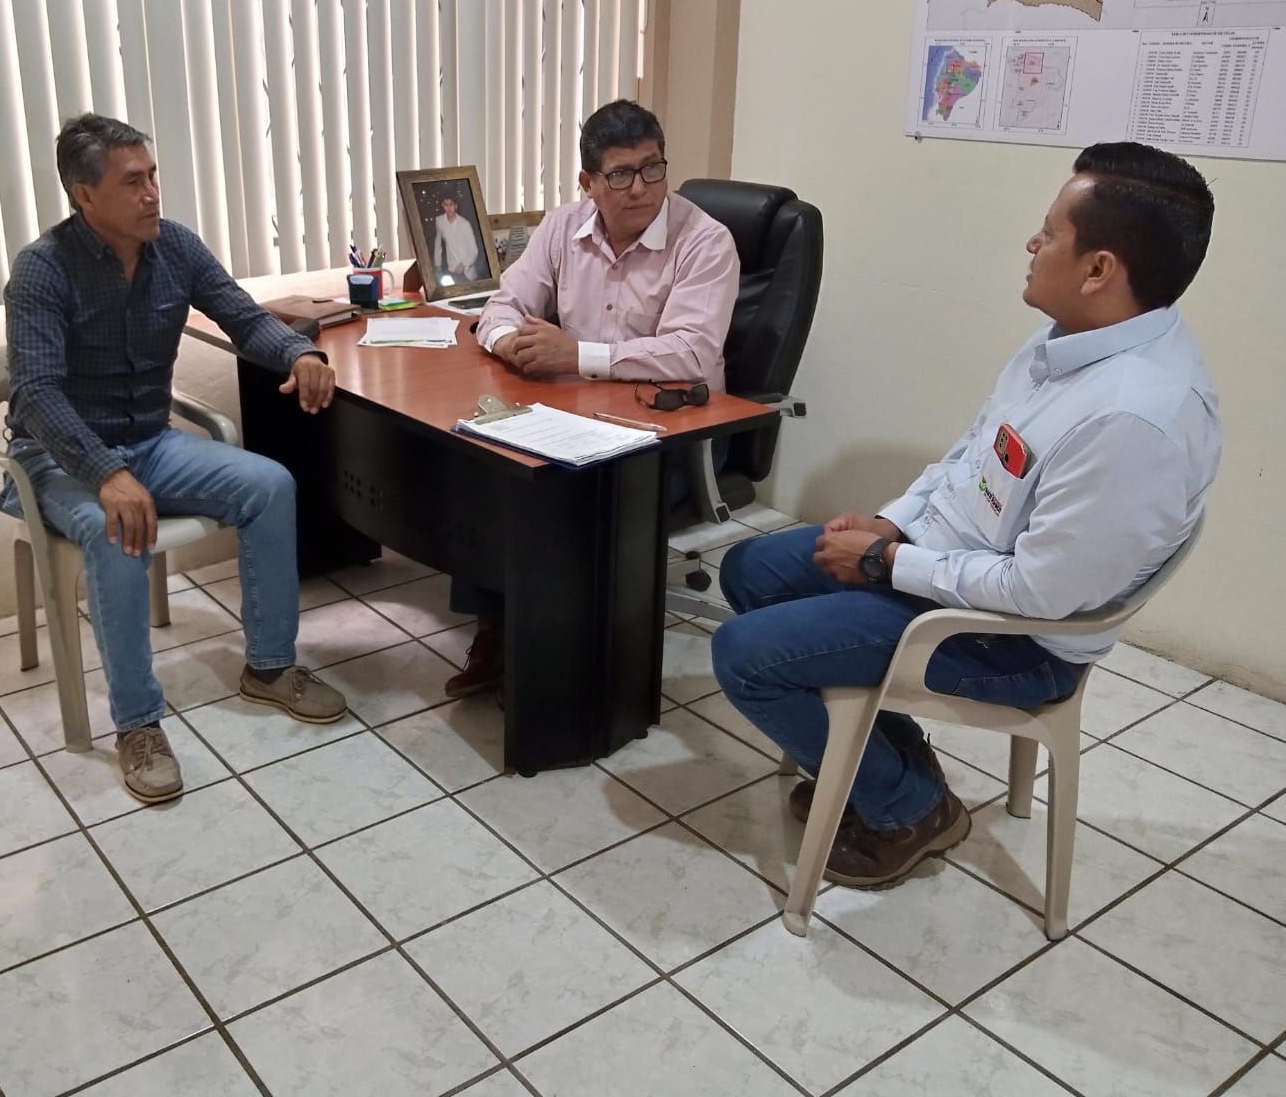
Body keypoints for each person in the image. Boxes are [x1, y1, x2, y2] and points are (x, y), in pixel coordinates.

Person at [710, 142, 1220, 886]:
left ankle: (909, 808)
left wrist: (885, 563)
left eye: (1049, 232)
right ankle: (886, 752)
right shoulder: (1067, 342)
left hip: (1013, 640)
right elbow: (970, 456)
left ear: (1098, 270)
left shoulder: (1134, 422)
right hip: (952, 563)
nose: (1031, 243)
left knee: (744, 657)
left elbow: (1040, 594)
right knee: (751, 568)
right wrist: (893, 524)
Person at [2, 113, 349, 805]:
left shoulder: (176, 247)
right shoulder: (42, 270)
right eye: (132, 182)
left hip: (149, 444)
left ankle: (269, 668)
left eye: (153, 175)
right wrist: (106, 473)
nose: (152, 193)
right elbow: (35, 394)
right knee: (116, 529)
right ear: (84, 194)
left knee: (270, 485)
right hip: (57, 458)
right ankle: (137, 724)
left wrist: (300, 353)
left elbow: (244, 318)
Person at [444, 98, 739, 699]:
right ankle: (498, 629)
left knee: (552, 495)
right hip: (574, 415)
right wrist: (509, 342)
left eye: (652, 167)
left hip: (667, 434)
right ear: (589, 183)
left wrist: (576, 355)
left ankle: (567, 668)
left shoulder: (706, 242)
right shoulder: (562, 228)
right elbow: (502, 305)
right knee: (484, 465)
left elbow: (693, 353)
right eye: (621, 174)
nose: (641, 188)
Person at [432, 195, 483, 281]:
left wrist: (463, 264)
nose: (449, 208)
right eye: (446, 205)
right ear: (442, 205)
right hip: (451, 269)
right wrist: (438, 265)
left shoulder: (464, 224)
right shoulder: (440, 221)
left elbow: (474, 250)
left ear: (456, 206)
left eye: (451, 204)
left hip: (467, 271)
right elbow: (438, 244)